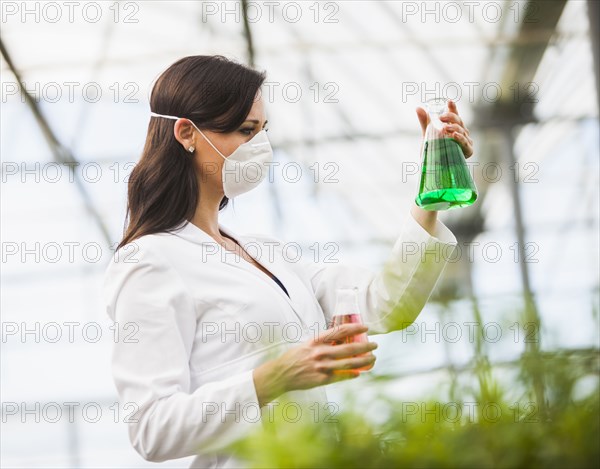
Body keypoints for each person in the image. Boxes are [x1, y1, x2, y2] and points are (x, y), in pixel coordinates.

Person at [103, 55, 472, 468]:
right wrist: (276, 376)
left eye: (263, 130)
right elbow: (152, 428)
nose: (260, 146)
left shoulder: (268, 254)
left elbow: (387, 303)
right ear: (187, 133)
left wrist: (432, 190)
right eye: (246, 130)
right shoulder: (149, 261)